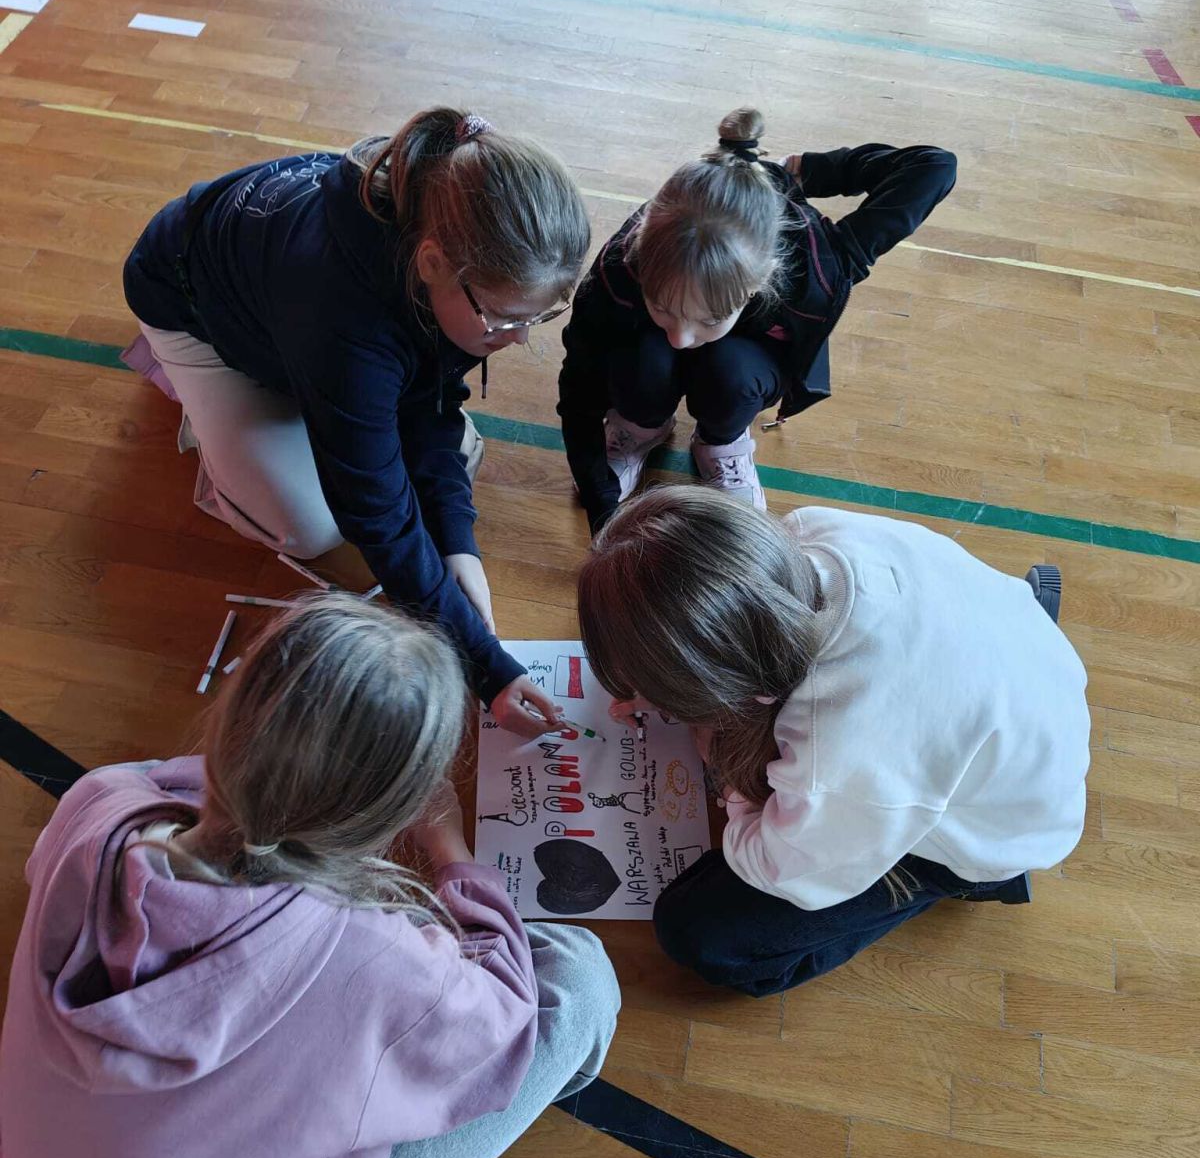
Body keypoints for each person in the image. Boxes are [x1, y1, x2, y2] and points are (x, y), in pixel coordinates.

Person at [0, 594, 619, 1158]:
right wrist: (451, 851)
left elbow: (153, 807)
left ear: (229, 724)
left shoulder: (100, 803)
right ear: (390, 816)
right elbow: (497, 1026)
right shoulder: (370, 955)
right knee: (580, 980)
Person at [122, 106, 591, 735]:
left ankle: (288, 405)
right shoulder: (345, 327)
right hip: (184, 297)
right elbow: (375, 514)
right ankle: (201, 408)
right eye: (506, 318)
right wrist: (487, 667)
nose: (518, 337)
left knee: (439, 453)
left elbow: (432, 395)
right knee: (310, 525)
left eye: (537, 318)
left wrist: (456, 540)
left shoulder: (453, 247)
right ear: (431, 264)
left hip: (293, 312)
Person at [577, 486, 1090, 997]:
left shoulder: (840, 758)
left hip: (1003, 825)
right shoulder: (806, 531)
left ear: (731, 694)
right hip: (1014, 656)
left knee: (700, 932)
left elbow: (779, 868)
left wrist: (723, 770)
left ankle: (974, 880)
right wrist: (673, 684)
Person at [558, 107, 957, 529]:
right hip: (642, 349)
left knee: (733, 375)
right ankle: (640, 426)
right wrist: (601, 505)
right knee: (645, 360)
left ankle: (720, 441)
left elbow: (934, 165)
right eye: (662, 306)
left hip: (745, 361)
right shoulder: (617, 270)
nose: (680, 338)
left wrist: (811, 171)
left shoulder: (816, 264)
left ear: (760, 282)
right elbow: (578, 393)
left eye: (710, 319)